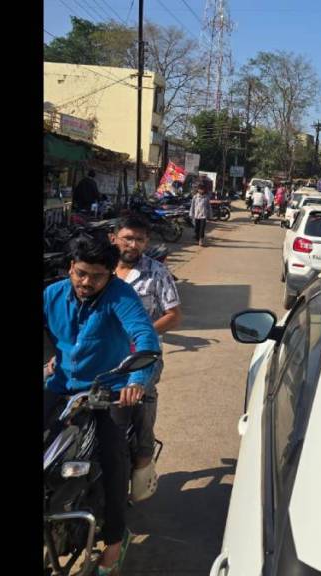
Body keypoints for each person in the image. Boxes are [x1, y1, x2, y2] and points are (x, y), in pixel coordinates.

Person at [44, 234, 160, 575]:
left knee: (113, 461)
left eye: (97, 276)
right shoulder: (52, 294)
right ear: (70, 267)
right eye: (81, 273)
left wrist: (136, 381)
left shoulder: (121, 296)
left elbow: (145, 337)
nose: (86, 282)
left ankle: (113, 543)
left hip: (109, 388)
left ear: (110, 274)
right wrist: (50, 359)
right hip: (60, 383)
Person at [110, 214, 182, 503]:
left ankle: (142, 460)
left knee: (138, 399)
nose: (133, 244)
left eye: (139, 239)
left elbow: (173, 315)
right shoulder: (100, 269)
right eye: (128, 238)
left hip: (143, 355)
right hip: (102, 352)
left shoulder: (156, 272)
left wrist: (141, 336)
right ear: (113, 238)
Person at [190, 180, 212, 245]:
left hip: (203, 215)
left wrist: (210, 215)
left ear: (204, 190)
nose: (201, 190)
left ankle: (201, 240)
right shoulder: (195, 197)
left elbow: (209, 207)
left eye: (202, 189)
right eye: (200, 189)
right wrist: (191, 214)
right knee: (196, 228)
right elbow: (192, 206)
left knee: (202, 228)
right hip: (196, 215)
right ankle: (197, 238)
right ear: (198, 190)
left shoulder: (206, 197)